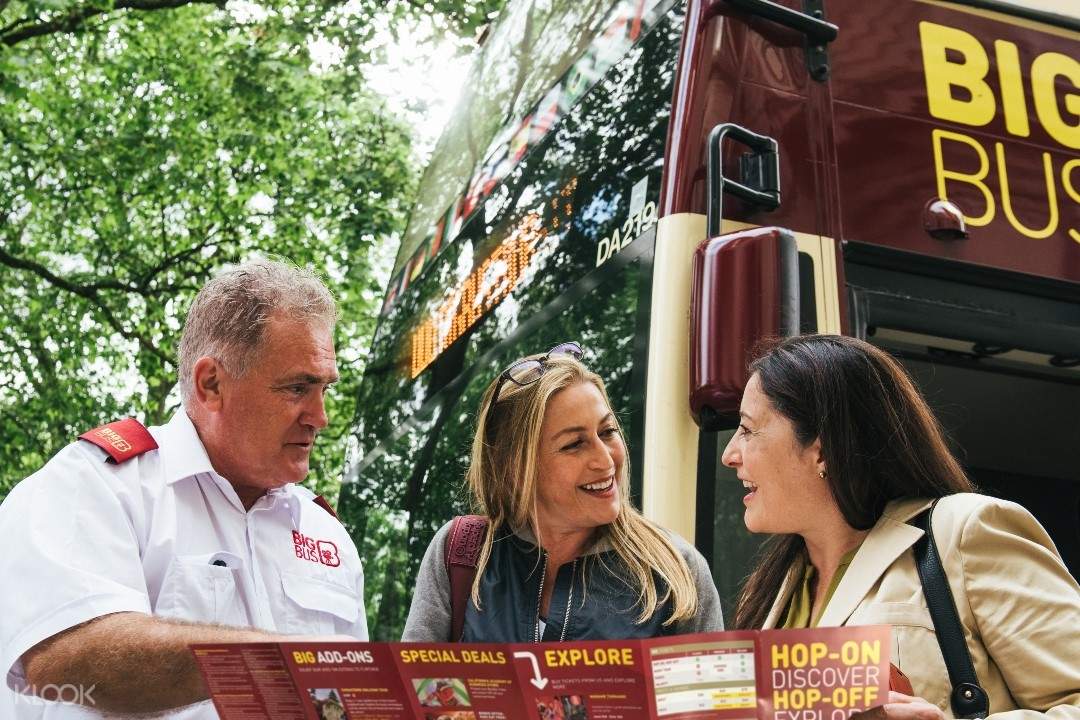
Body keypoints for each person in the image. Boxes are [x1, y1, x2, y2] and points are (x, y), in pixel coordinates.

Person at [0, 259, 368, 719]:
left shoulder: (327, 534)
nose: (320, 417)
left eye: (324, 390)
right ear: (211, 383)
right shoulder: (94, 485)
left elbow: (346, 699)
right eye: (298, 388)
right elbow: (62, 661)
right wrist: (289, 659)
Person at [722, 334, 1080, 719]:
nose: (730, 455)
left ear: (821, 448)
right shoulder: (768, 593)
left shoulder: (963, 531)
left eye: (747, 429)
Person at [402, 342, 723, 642]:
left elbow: (711, 701)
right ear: (514, 468)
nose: (604, 459)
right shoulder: (460, 553)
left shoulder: (675, 568)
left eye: (607, 431)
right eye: (574, 444)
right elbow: (413, 695)